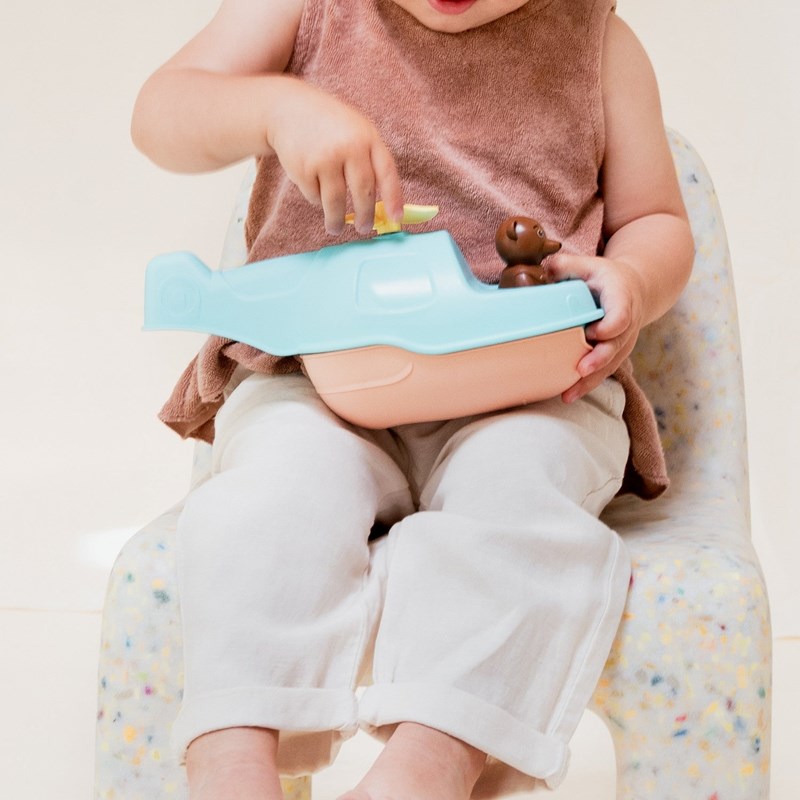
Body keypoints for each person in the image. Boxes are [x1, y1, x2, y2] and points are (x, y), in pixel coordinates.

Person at [131, 1, 694, 799]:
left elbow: (657, 218)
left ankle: (433, 761)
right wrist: (274, 105)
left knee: (520, 501)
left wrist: (634, 276)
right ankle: (232, 756)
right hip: (317, 375)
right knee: (267, 503)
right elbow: (161, 114)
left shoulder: (599, 40)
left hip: (526, 386)